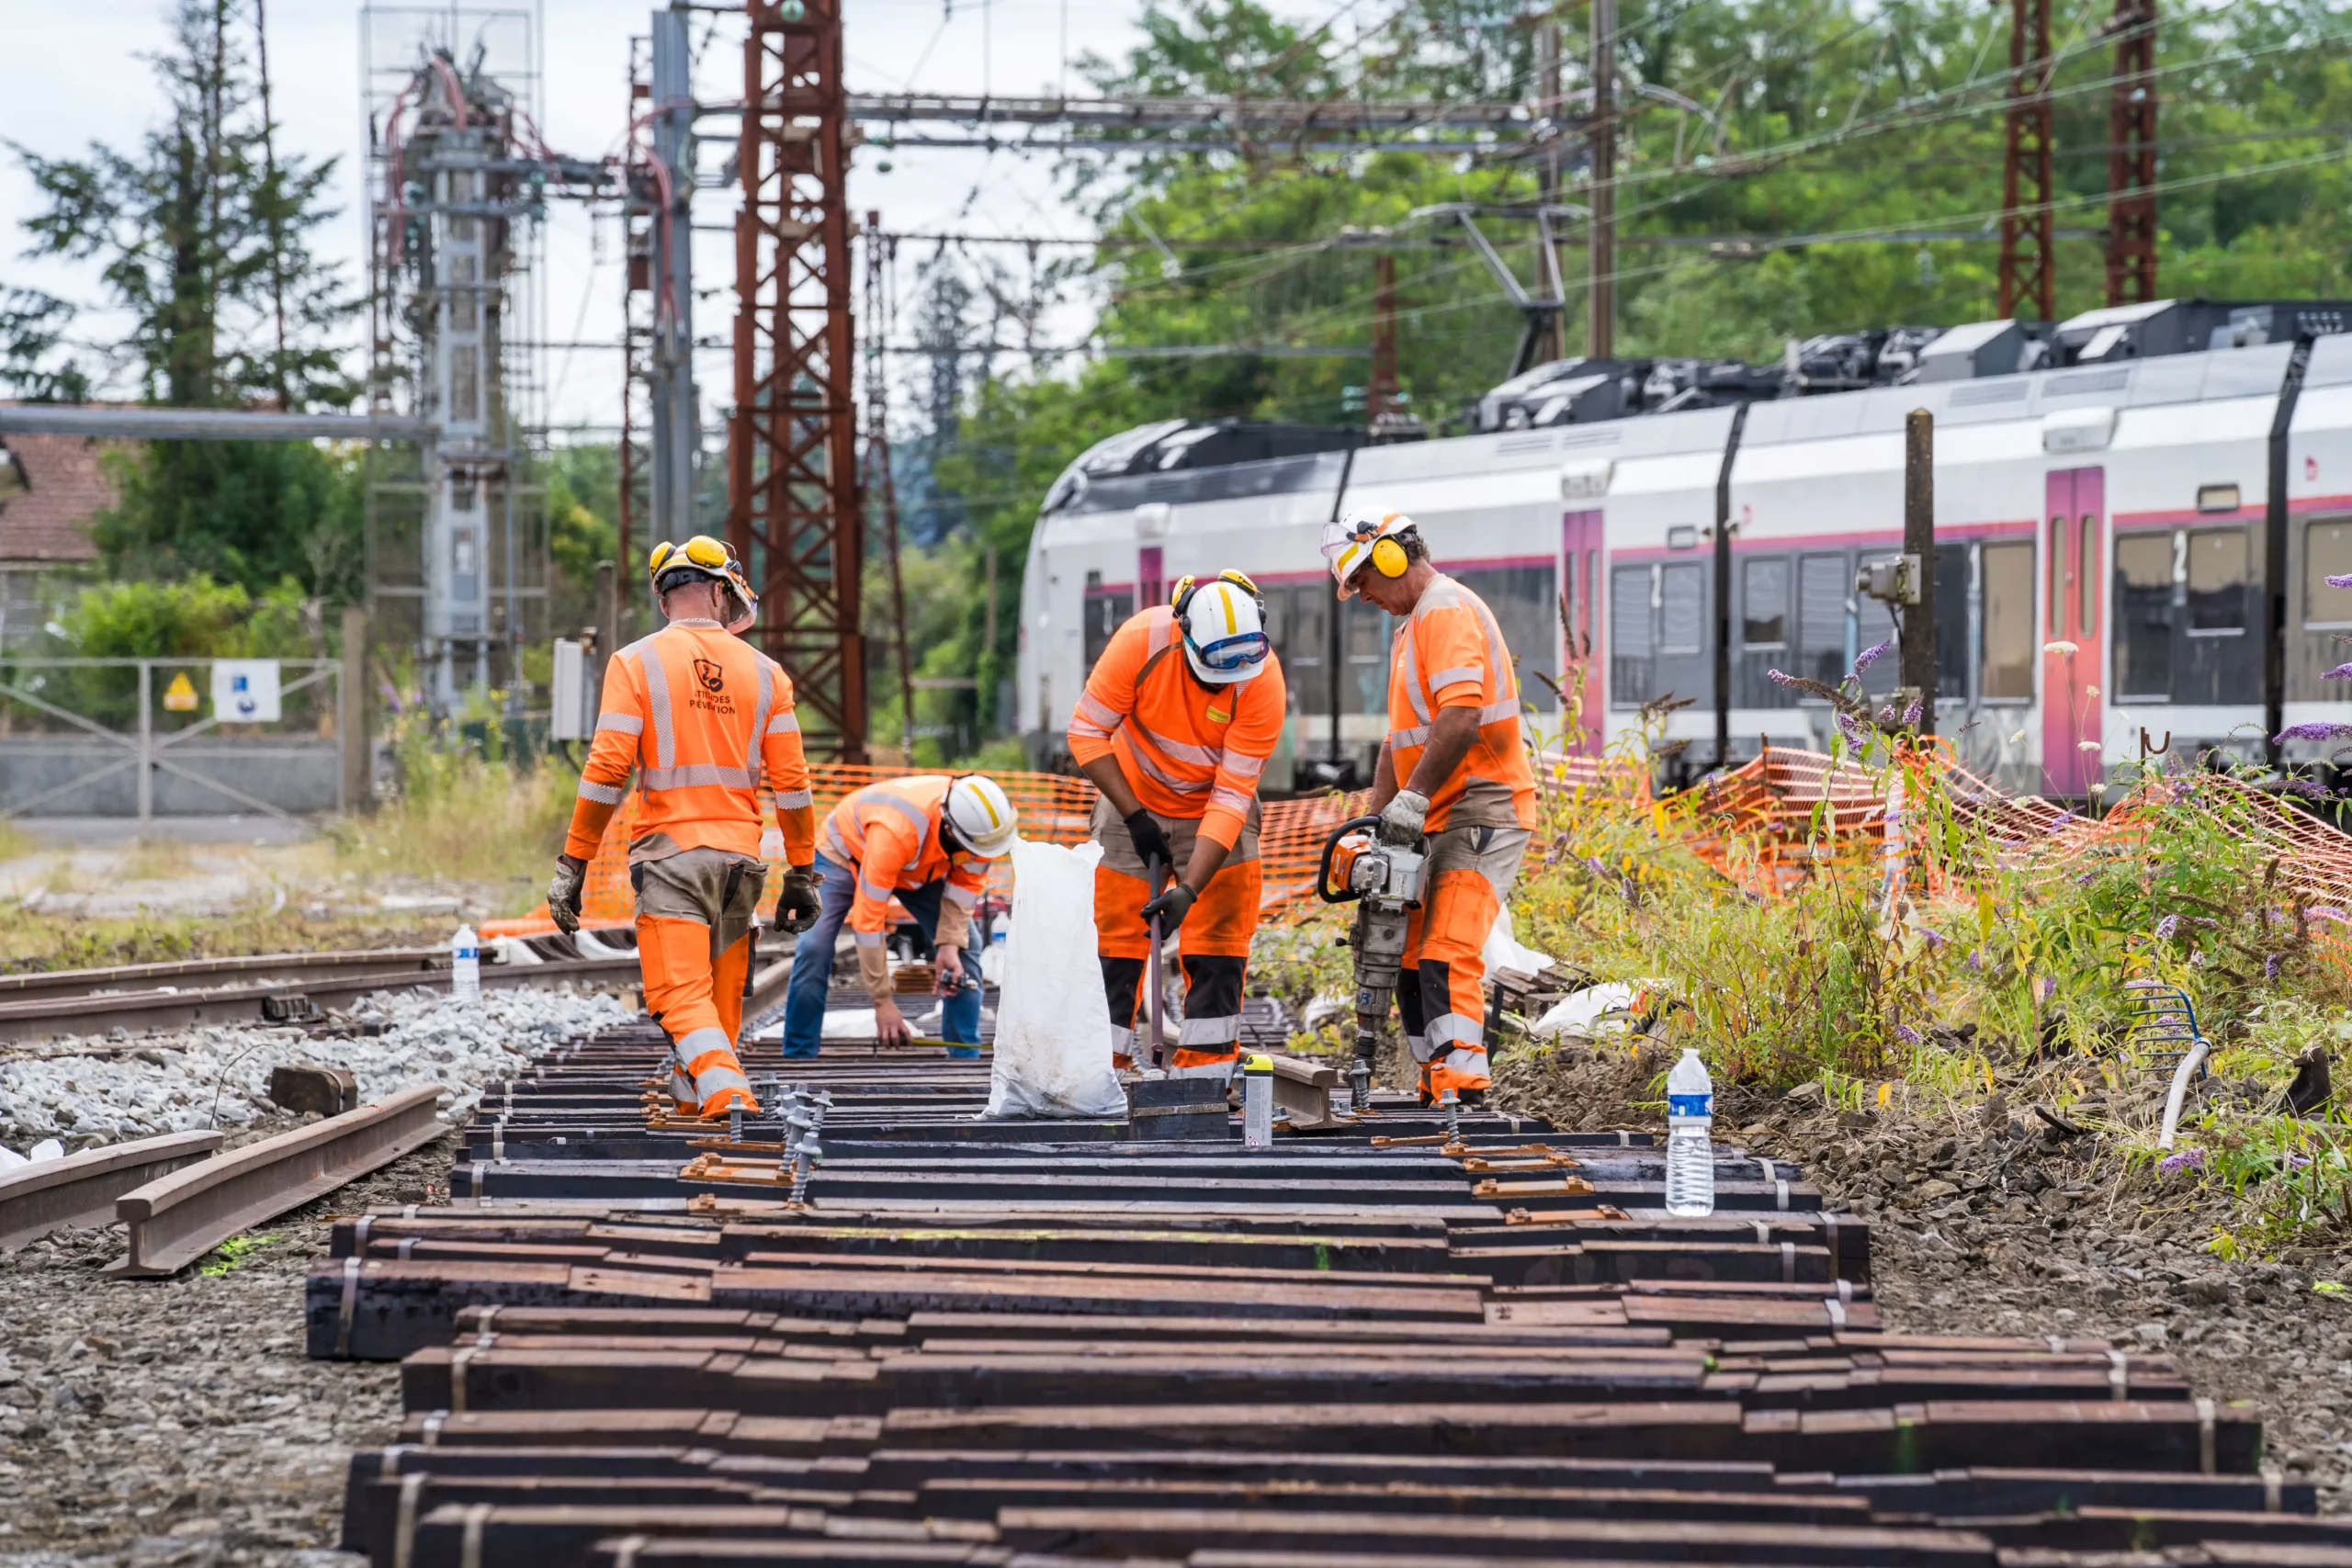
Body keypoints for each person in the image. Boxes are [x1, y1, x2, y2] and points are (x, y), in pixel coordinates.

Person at [546, 535, 825, 1118]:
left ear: (664, 597)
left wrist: (574, 862)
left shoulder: (636, 663)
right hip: (741, 863)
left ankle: (729, 1097)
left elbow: (605, 774)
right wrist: (802, 871)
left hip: (672, 858)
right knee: (719, 1004)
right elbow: (793, 785)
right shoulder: (768, 674)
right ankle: (694, 1105)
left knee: (681, 997)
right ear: (721, 593)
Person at [1320, 508, 1536, 1105]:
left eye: (1363, 582)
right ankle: (1431, 1075)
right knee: (1406, 951)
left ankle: (1462, 1087)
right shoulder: (1411, 627)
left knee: (1446, 950)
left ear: (1392, 557)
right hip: (1436, 814)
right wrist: (1374, 828)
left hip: (1481, 810)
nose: (1362, 596)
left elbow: (1461, 716)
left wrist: (1411, 800)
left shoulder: (1444, 610)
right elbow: (1398, 740)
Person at [1068, 570, 1285, 1077]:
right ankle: (1103, 1071)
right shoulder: (1141, 642)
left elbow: (1232, 798)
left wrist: (1190, 886)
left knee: (1220, 942)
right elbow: (1086, 735)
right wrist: (1135, 816)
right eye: (1215, 670)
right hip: (1131, 796)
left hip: (1213, 810)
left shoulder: (1261, 680)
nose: (1227, 680)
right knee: (1113, 941)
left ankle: (1204, 1076)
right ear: (1186, 637)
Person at [779, 773, 1018, 1059]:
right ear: (952, 830)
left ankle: (963, 1055)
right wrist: (882, 1002)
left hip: (917, 864)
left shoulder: (984, 835)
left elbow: (963, 893)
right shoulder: (896, 831)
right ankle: (799, 1054)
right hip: (844, 853)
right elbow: (869, 921)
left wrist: (948, 946)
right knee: (814, 947)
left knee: (968, 948)